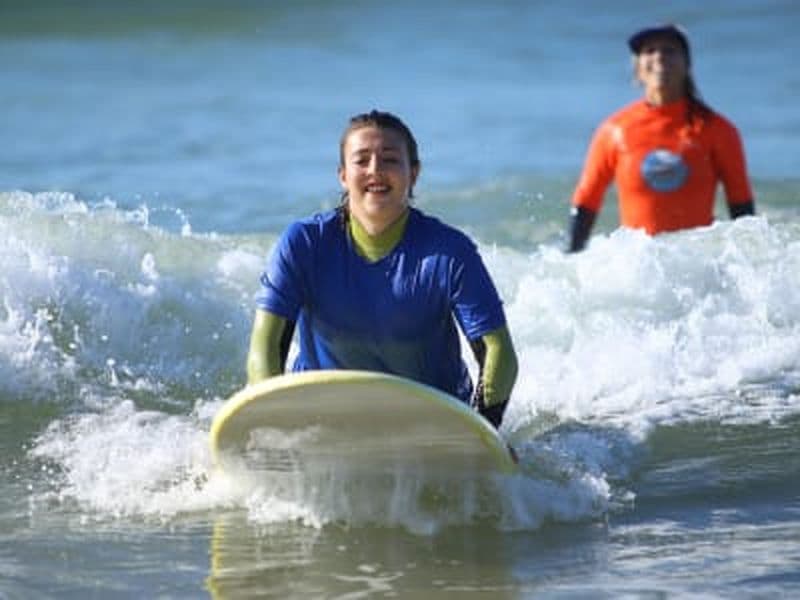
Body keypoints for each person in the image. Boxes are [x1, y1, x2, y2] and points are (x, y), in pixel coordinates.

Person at [247, 110, 518, 427]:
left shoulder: (449, 252)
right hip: (323, 418)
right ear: (343, 175)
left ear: (413, 174)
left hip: (433, 423)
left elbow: (498, 351)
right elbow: (264, 346)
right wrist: (273, 426)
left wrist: (484, 427)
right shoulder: (304, 243)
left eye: (390, 159)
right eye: (361, 160)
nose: (375, 170)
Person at [567, 24, 755, 252]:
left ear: (687, 65)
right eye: (650, 50)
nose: (659, 56)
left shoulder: (717, 129)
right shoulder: (615, 130)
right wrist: (573, 261)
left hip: (697, 262)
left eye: (670, 50)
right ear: (637, 70)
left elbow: (741, 205)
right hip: (639, 265)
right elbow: (586, 200)